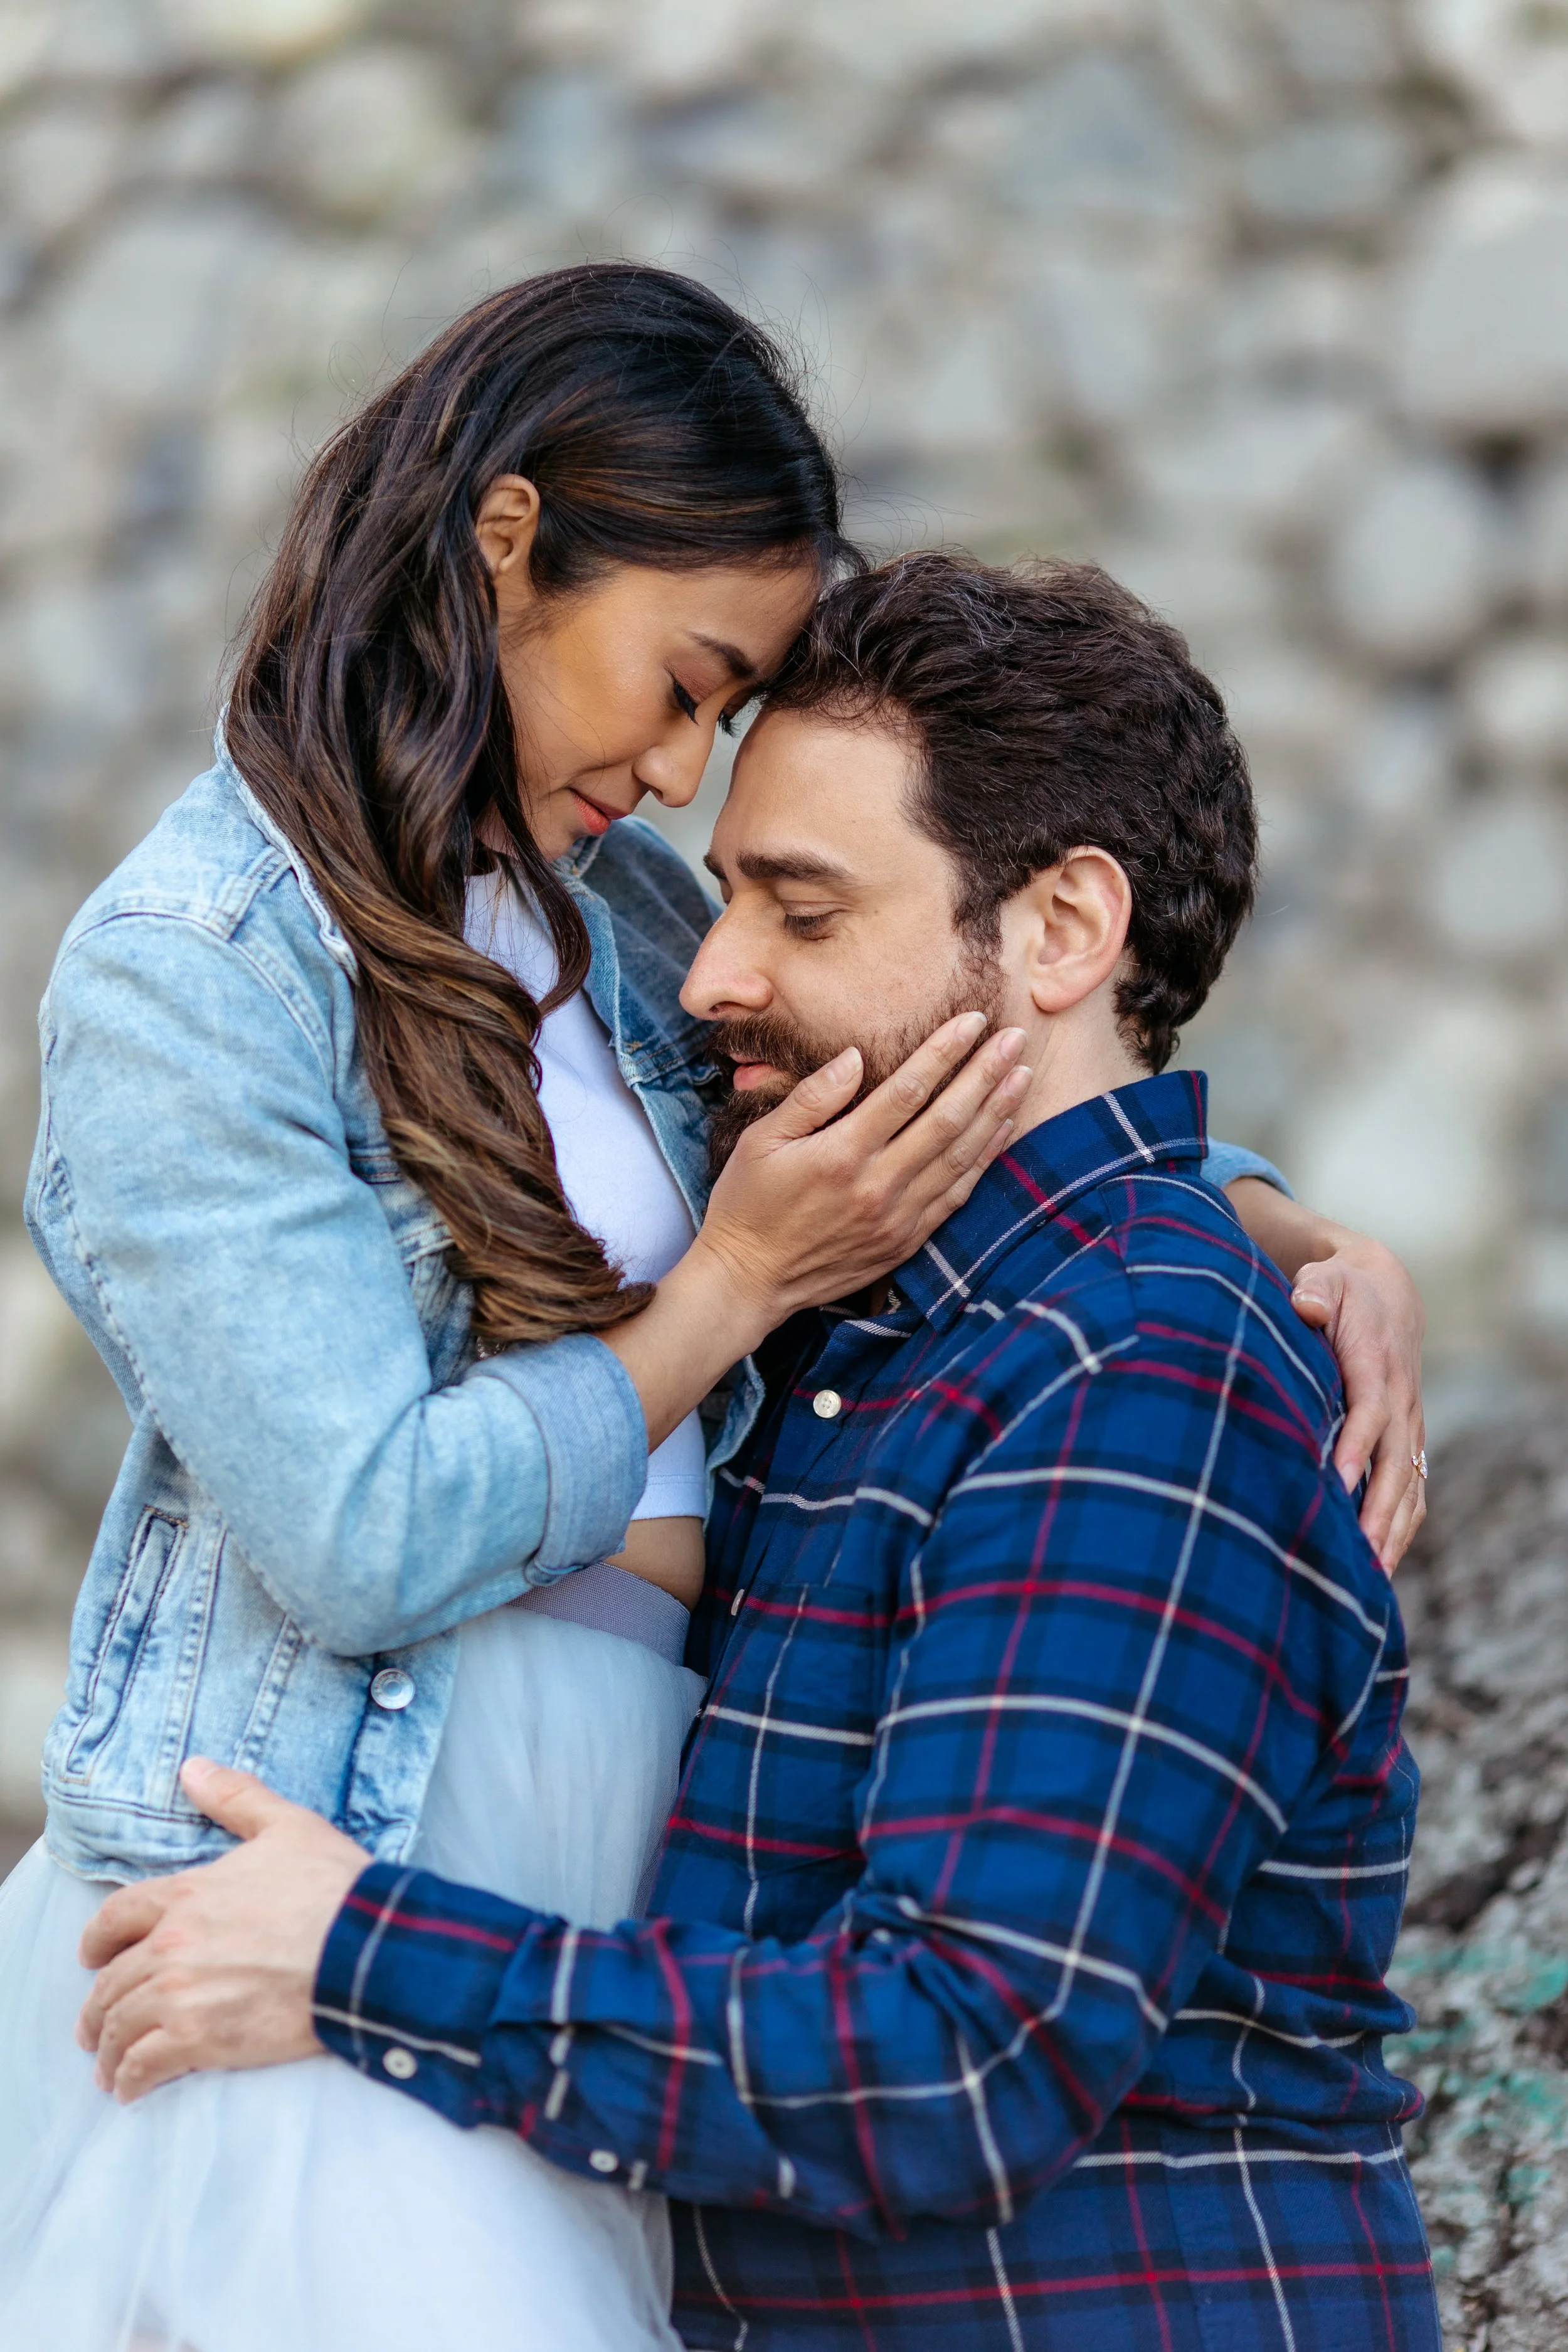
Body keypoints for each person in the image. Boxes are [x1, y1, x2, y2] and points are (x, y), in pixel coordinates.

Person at [74, 553, 1439, 2351]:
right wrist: (1267, 1203)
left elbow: (962, 2056)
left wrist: (360, 1957)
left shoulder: (1134, 1378)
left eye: (799, 912)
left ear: (1057, 930)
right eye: (720, 897)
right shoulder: (847, 1322)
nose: (711, 974)